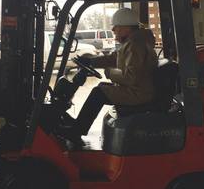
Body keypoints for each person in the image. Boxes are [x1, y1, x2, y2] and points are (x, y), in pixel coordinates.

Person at [59, 8, 158, 144]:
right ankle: (77, 127)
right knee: (101, 88)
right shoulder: (133, 42)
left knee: (98, 93)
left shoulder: (135, 45)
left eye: (115, 27)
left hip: (138, 94)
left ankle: (76, 131)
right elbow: (113, 59)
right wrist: (91, 61)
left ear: (125, 27)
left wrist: (109, 72)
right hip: (139, 89)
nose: (113, 30)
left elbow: (131, 77)